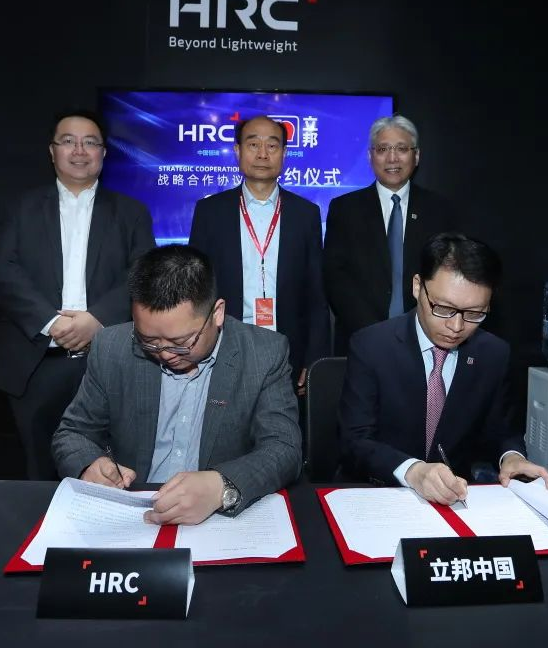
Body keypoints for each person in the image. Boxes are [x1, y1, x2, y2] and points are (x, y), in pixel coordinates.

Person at [52, 245, 302, 525]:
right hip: (133, 513)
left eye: (181, 343)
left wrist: (222, 486)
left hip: (217, 519)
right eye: (149, 341)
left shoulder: (263, 353)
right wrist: (89, 465)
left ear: (217, 313)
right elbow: (73, 433)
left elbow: (284, 448)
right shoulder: (112, 348)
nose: (165, 353)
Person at [0, 108, 155, 480]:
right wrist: (51, 322)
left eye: (90, 142)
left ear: (103, 153)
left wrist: (96, 320)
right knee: (39, 470)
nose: (79, 151)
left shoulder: (131, 212)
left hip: (107, 361)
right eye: (68, 141)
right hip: (35, 363)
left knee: (109, 471)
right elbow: (2, 270)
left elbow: (143, 272)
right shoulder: (22, 207)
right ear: (52, 151)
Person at [338, 232, 548, 505]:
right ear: (418, 287)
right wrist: (413, 471)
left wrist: (511, 457)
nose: (456, 326)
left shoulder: (493, 353)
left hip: (455, 497)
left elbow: (503, 431)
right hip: (379, 493)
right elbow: (355, 441)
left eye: (474, 313)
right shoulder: (372, 345)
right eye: (443, 308)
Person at [189, 115, 328, 396]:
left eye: (272, 146)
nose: (263, 154)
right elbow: (195, 286)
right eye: (253, 144)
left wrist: (314, 358)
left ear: (284, 153)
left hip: (287, 349)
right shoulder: (210, 212)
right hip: (223, 345)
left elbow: (316, 293)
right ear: (238, 151)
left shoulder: (306, 214)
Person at [323, 115, 463, 355]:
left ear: (416, 156)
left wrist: (420, 327)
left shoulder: (439, 210)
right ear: (370, 156)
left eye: (401, 149)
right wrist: (375, 331)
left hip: (424, 339)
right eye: (383, 149)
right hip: (361, 338)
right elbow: (336, 277)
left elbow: (446, 274)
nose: (392, 158)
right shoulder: (345, 209)